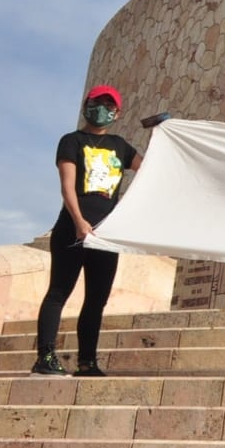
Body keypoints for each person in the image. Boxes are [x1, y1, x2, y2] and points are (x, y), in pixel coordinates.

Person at [32, 85, 142, 377]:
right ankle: (45, 357)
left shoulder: (120, 145)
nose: (102, 108)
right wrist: (80, 221)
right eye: (97, 102)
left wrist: (162, 135)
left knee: (97, 299)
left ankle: (87, 361)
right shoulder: (72, 141)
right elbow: (67, 185)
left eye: (109, 104)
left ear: (117, 112)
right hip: (73, 228)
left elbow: (147, 169)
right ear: (86, 105)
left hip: (106, 236)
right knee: (59, 292)